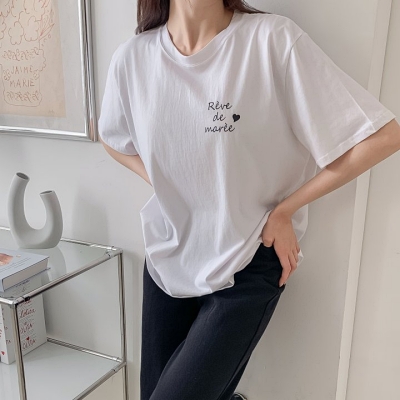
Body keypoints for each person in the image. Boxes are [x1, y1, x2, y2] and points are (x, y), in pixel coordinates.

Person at [98, 1, 400, 399]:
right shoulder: (132, 59)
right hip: (168, 255)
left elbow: (382, 136)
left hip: (249, 255)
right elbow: (111, 136)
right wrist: (166, 179)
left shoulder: (271, 41)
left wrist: (285, 210)